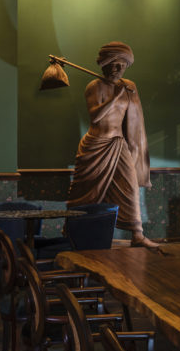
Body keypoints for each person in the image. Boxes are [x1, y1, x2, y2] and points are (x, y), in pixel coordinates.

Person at [67, 41, 158, 247]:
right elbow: (96, 116)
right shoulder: (94, 86)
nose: (118, 69)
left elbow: (134, 120)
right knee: (85, 192)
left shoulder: (129, 86)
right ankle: (71, 233)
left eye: (123, 65)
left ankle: (137, 235)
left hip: (118, 144)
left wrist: (136, 147)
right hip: (95, 145)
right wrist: (116, 96)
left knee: (131, 187)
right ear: (104, 64)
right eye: (114, 64)